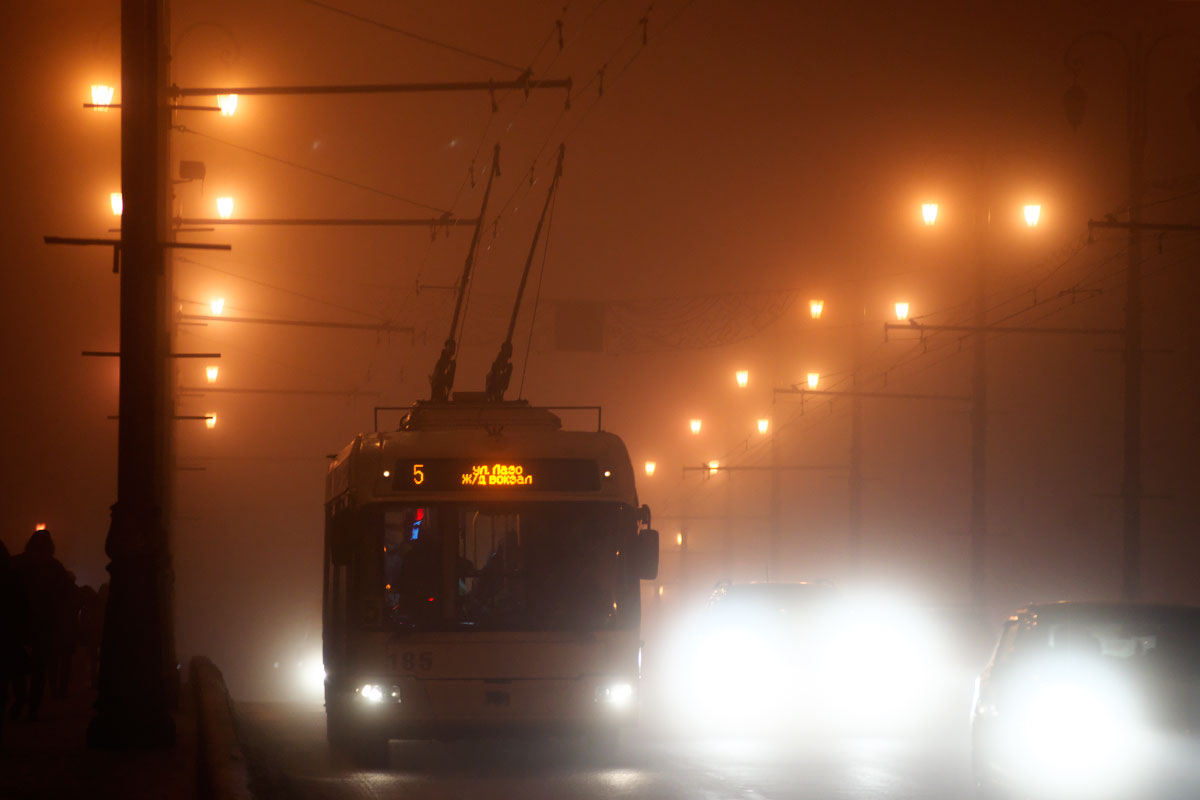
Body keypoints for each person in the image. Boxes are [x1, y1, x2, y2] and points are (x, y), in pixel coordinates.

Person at [9, 529, 70, 721]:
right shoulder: (55, 567)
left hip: (17, 622)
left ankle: (19, 699)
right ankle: (33, 708)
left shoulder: (17, 563)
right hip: (44, 625)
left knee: (15, 665)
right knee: (39, 668)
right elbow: (66, 597)